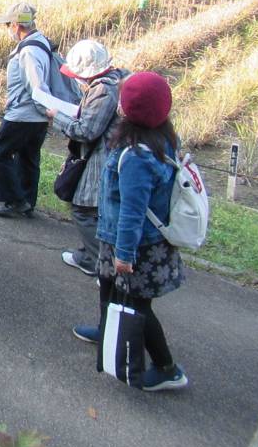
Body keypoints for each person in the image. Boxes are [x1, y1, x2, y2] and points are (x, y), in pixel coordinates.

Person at [72, 71, 188, 392]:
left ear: (126, 109)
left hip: (135, 246)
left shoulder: (137, 156)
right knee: (107, 286)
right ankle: (107, 328)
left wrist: (124, 254)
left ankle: (167, 368)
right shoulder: (161, 138)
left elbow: (132, 212)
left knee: (138, 307)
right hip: (122, 241)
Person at [46, 40, 128, 276]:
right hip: (109, 154)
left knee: (84, 209)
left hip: (101, 158)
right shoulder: (118, 79)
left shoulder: (103, 90)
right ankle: (90, 253)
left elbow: (87, 131)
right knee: (99, 210)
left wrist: (58, 117)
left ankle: (98, 260)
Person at [0, 2, 52, 218]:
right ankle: (26, 201)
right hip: (36, 117)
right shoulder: (42, 43)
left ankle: (14, 200)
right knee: (28, 158)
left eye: (8, 25)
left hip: (23, 115)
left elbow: (36, 86)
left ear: (16, 25)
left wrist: (46, 109)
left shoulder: (28, 52)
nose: (8, 29)